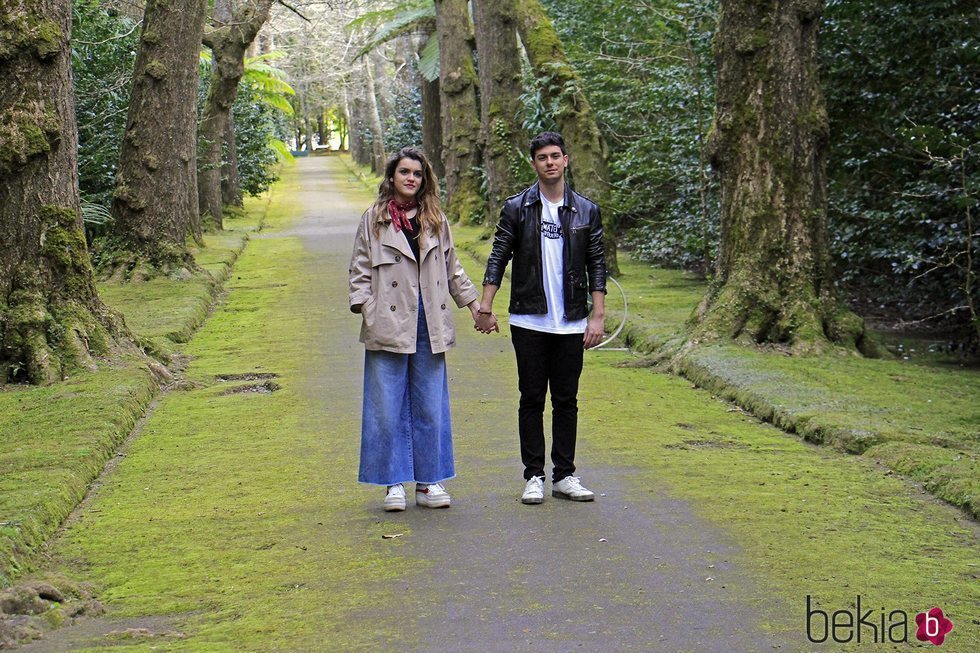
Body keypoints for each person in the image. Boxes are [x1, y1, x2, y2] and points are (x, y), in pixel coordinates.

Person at [349, 146, 484, 512]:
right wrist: (368, 309)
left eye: (418, 174)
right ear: (392, 176)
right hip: (388, 322)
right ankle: (393, 483)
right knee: (386, 405)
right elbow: (359, 270)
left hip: (430, 320)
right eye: (405, 172)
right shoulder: (374, 219)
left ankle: (429, 481)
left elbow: (453, 268)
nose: (411, 178)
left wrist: (476, 307)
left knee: (430, 404)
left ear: (425, 180)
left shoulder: (436, 219)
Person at [474, 131, 606, 505]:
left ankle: (565, 475)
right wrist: (486, 305)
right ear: (533, 164)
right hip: (529, 320)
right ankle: (533, 474)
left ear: (566, 160)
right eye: (542, 157)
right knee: (531, 398)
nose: (549, 162)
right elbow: (498, 256)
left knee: (567, 399)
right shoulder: (517, 208)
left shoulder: (586, 210)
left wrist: (597, 316)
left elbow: (597, 264)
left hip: (571, 321)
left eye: (555, 156)